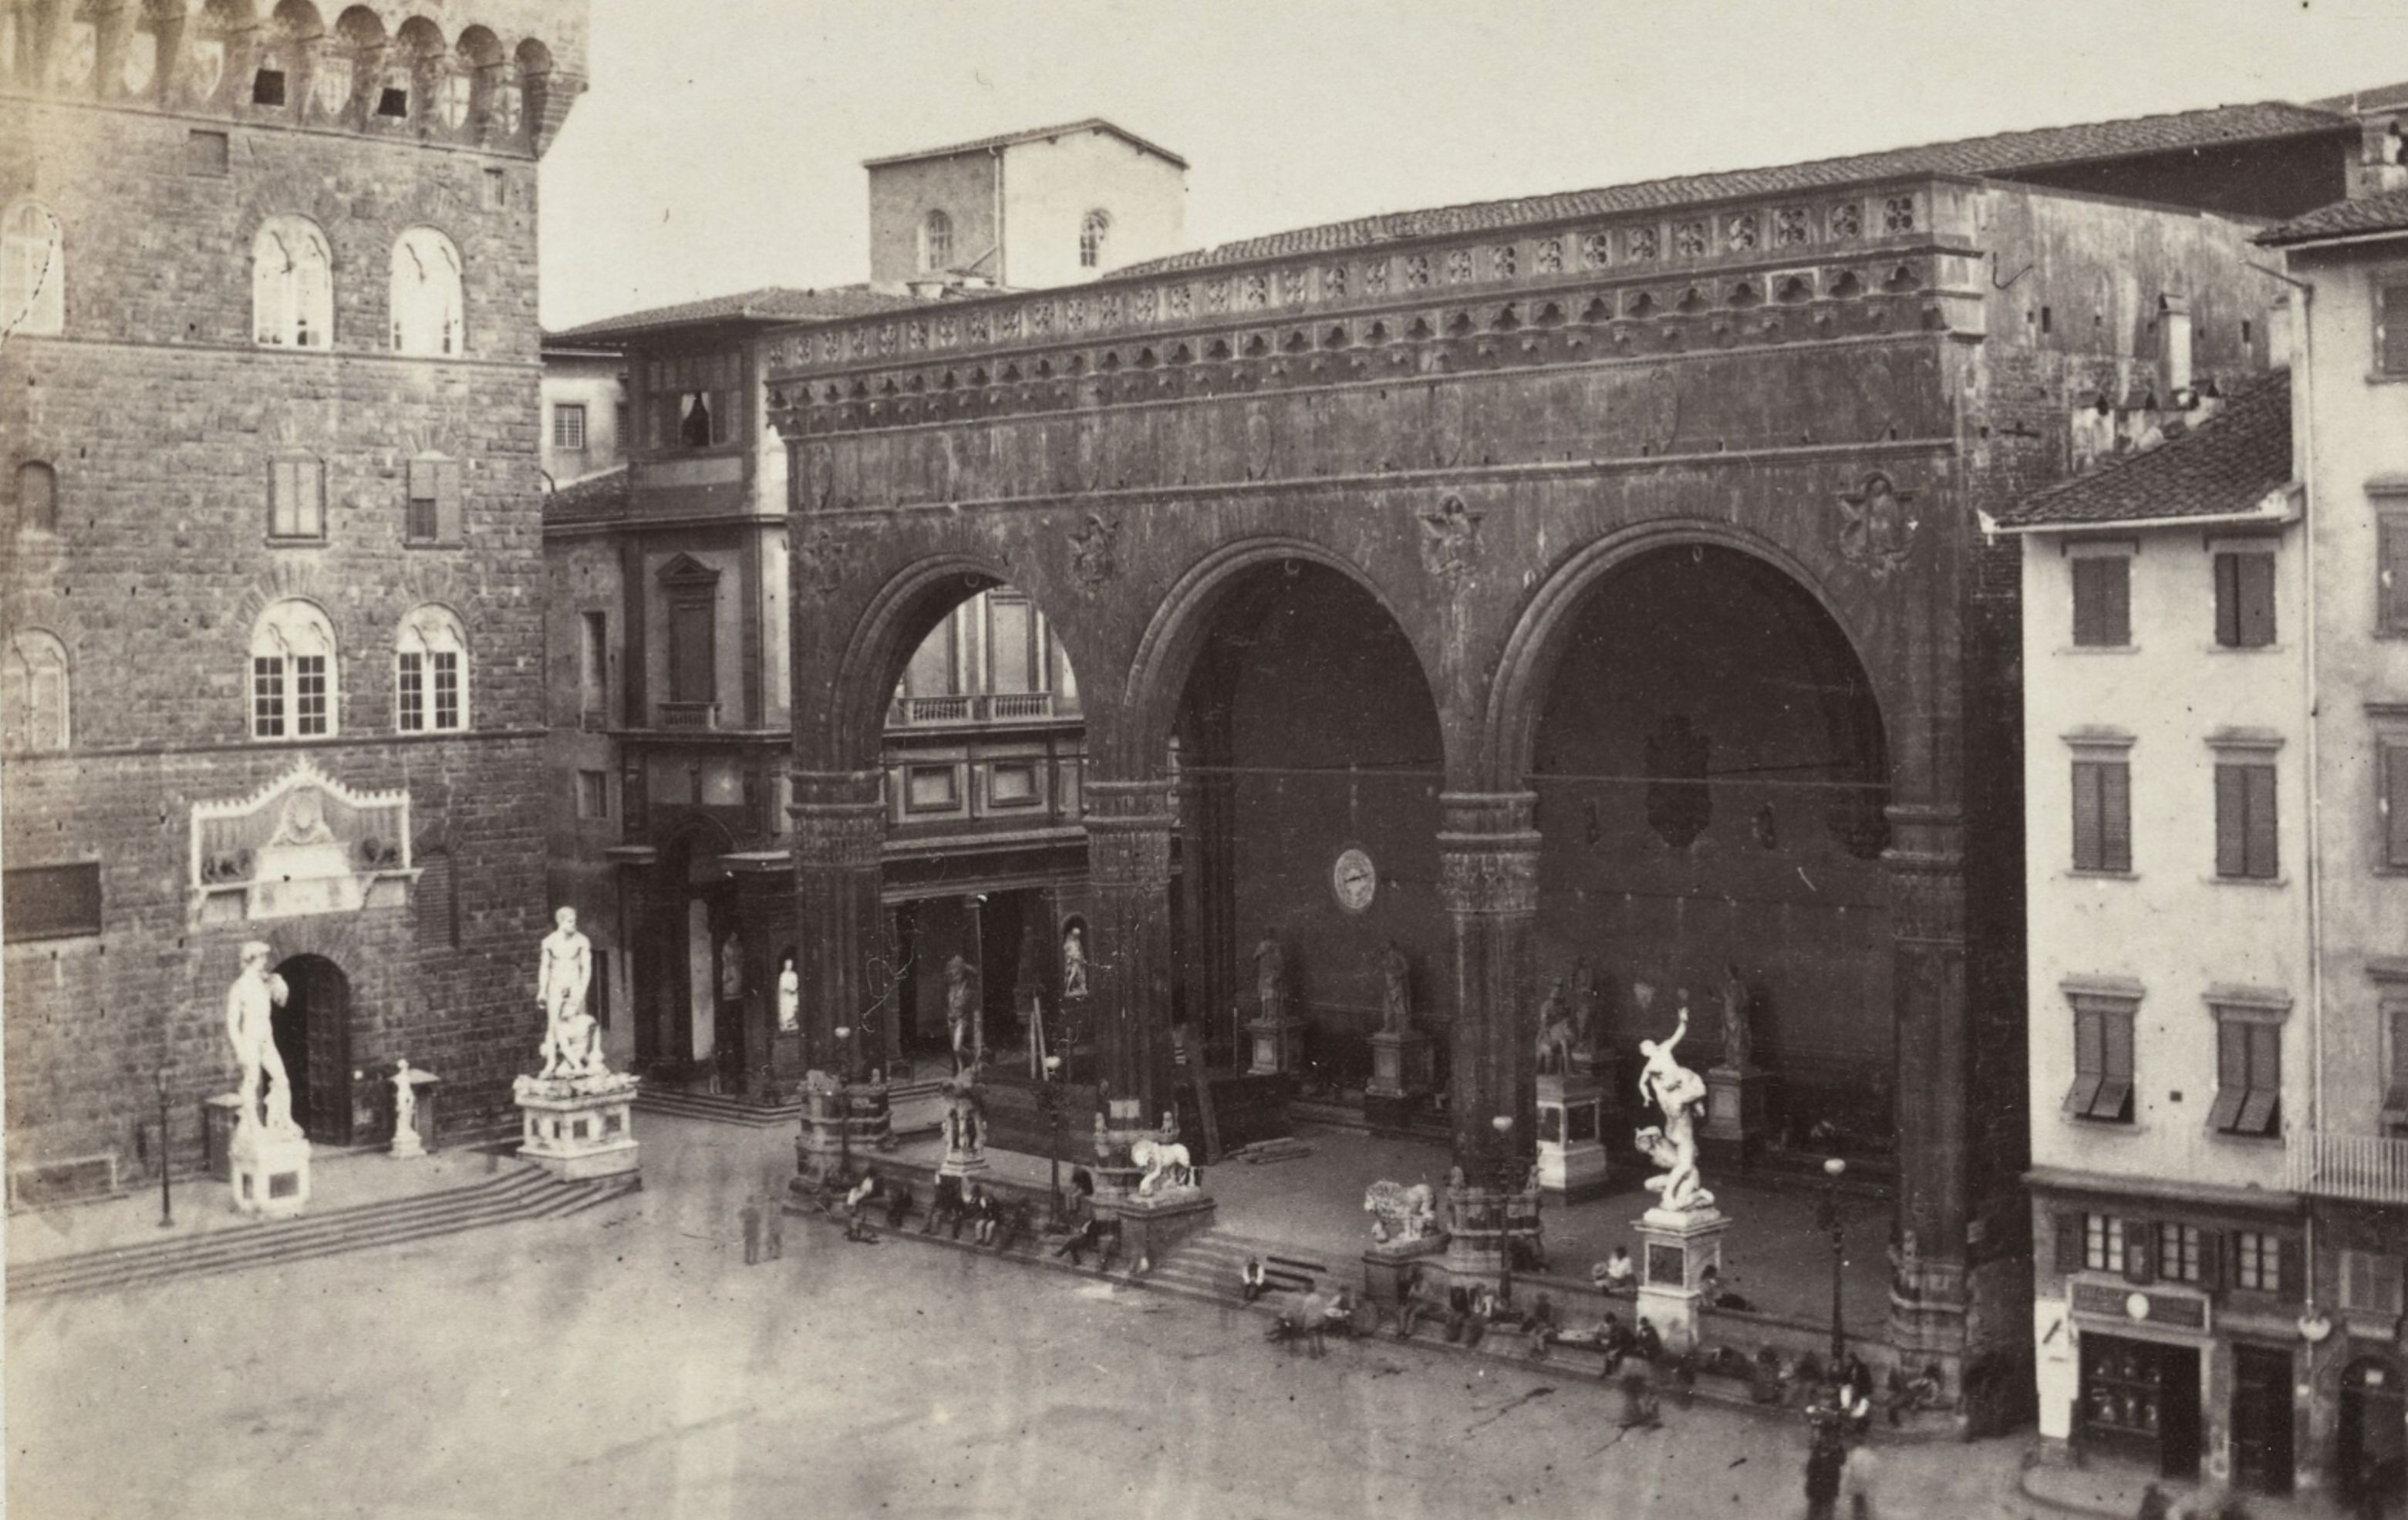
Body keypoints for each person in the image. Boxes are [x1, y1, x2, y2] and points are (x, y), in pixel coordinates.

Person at [225, 941, 298, 1135]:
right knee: (252, 1080)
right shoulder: (239, 987)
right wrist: (239, 1048)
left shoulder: (264, 982)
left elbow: (281, 1002)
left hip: (267, 1038)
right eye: (262, 957)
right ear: (252, 959)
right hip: (250, 1038)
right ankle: (253, 1124)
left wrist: (282, 987)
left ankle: (286, 1120)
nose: (265, 961)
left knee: (282, 1080)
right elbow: (232, 1023)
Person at [535, 907, 594, 1078]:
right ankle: (551, 1062)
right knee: (553, 1025)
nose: (573, 924)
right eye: (570, 921)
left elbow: (587, 968)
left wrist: (581, 992)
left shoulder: (582, 941)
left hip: (575, 985)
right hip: (556, 985)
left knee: (577, 1024)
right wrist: (542, 990)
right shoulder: (549, 942)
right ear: (560, 922)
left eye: (575, 921)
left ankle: (576, 1062)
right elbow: (545, 967)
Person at [1804, 1424, 1845, 1520]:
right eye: (1828, 1435)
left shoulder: (1835, 1451)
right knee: (1816, 1514)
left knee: (1826, 1514)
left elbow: (1842, 1460)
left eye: (1834, 1436)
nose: (1830, 1439)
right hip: (1818, 1490)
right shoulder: (1818, 1451)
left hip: (1827, 1490)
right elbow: (1810, 1470)